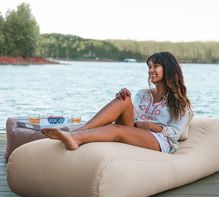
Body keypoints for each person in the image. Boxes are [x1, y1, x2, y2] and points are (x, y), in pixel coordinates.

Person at [41, 51, 191, 153]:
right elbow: (135, 118)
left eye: (155, 66)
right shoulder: (142, 94)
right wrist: (127, 101)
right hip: (137, 130)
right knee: (124, 99)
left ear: (168, 69)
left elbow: (176, 133)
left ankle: (75, 138)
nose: (150, 70)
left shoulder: (181, 102)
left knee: (117, 129)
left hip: (160, 141)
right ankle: (78, 132)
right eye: (149, 66)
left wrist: (150, 125)